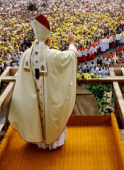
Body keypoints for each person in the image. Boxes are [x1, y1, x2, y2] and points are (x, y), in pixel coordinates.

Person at [9, 14, 77, 150]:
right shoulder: (51, 55)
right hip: (49, 99)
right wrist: (71, 43)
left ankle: (37, 140)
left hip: (32, 98)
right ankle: (53, 144)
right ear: (48, 40)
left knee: (35, 111)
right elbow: (71, 57)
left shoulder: (26, 54)